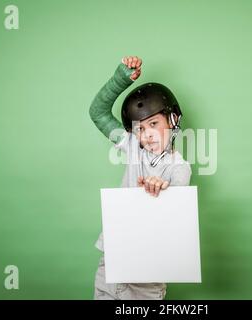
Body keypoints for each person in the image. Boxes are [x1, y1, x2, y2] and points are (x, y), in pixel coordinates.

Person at [89, 56, 191, 300]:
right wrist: (119, 79)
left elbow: (176, 213)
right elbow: (98, 112)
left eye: (154, 123)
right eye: (140, 128)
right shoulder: (133, 146)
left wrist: (162, 189)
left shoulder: (180, 168)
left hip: (148, 274)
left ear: (173, 120)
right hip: (113, 261)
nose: (147, 135)